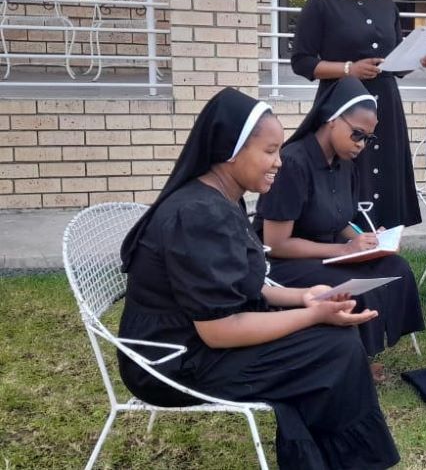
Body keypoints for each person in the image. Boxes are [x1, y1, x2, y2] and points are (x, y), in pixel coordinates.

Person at [118, 88, 399, 469]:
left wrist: (304, 298)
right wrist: (314, 315)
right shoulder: (198, 214)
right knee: (332, 350)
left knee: (334, 342)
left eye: (279, 150)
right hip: (174, 361)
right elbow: (219, 331)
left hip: (200, 343)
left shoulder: (221, 198)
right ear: (229, 150)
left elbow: (244, 287)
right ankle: (348, 460)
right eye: (269, 151)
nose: (279, 163)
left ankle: (330, 457)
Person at [255, 77, 424, 366]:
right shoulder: (294, 163)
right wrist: (344, 250)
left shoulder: (345, 163)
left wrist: (369, 241)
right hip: (286, 265)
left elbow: (340, 222)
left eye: (368, 139)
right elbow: (276, 243)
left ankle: (371, 346)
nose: (362, 145)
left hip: (329, 254)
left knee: (396, 267)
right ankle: (356, 359)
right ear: (332, 119)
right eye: (357, 134)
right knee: (357, 284)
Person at [290, 0, 426, 228]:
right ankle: (346, 245)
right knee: (347, 176)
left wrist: (421, 60)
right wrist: (349, 69)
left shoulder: (386, 6)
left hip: (384, 107)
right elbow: (301, 62)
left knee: (384, 178)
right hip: (342, 109)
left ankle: (383, 251)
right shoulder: (321, 4)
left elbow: (395, 62)